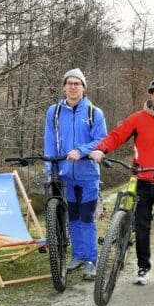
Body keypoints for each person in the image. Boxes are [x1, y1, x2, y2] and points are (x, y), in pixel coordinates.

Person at [89, 77, 154, 287]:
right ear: (151, 96)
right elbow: (117, 135)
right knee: (141, 227)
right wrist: (100, 149)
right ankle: (143, 267)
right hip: (142, 181)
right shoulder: (138, 118)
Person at [43, 68, 107, 279]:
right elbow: (50, 141)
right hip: (64, 174)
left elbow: (101, 140)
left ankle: (90, 260)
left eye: (77, 83)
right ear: (64, 87)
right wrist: (50, 168)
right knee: (73, 216)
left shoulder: (94, 113)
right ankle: (77, 256)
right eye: (69, 83)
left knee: (87, 217)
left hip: (88, 174)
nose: (73, 87)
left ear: (83, 88)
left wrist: (81, 151)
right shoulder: (54, 112)